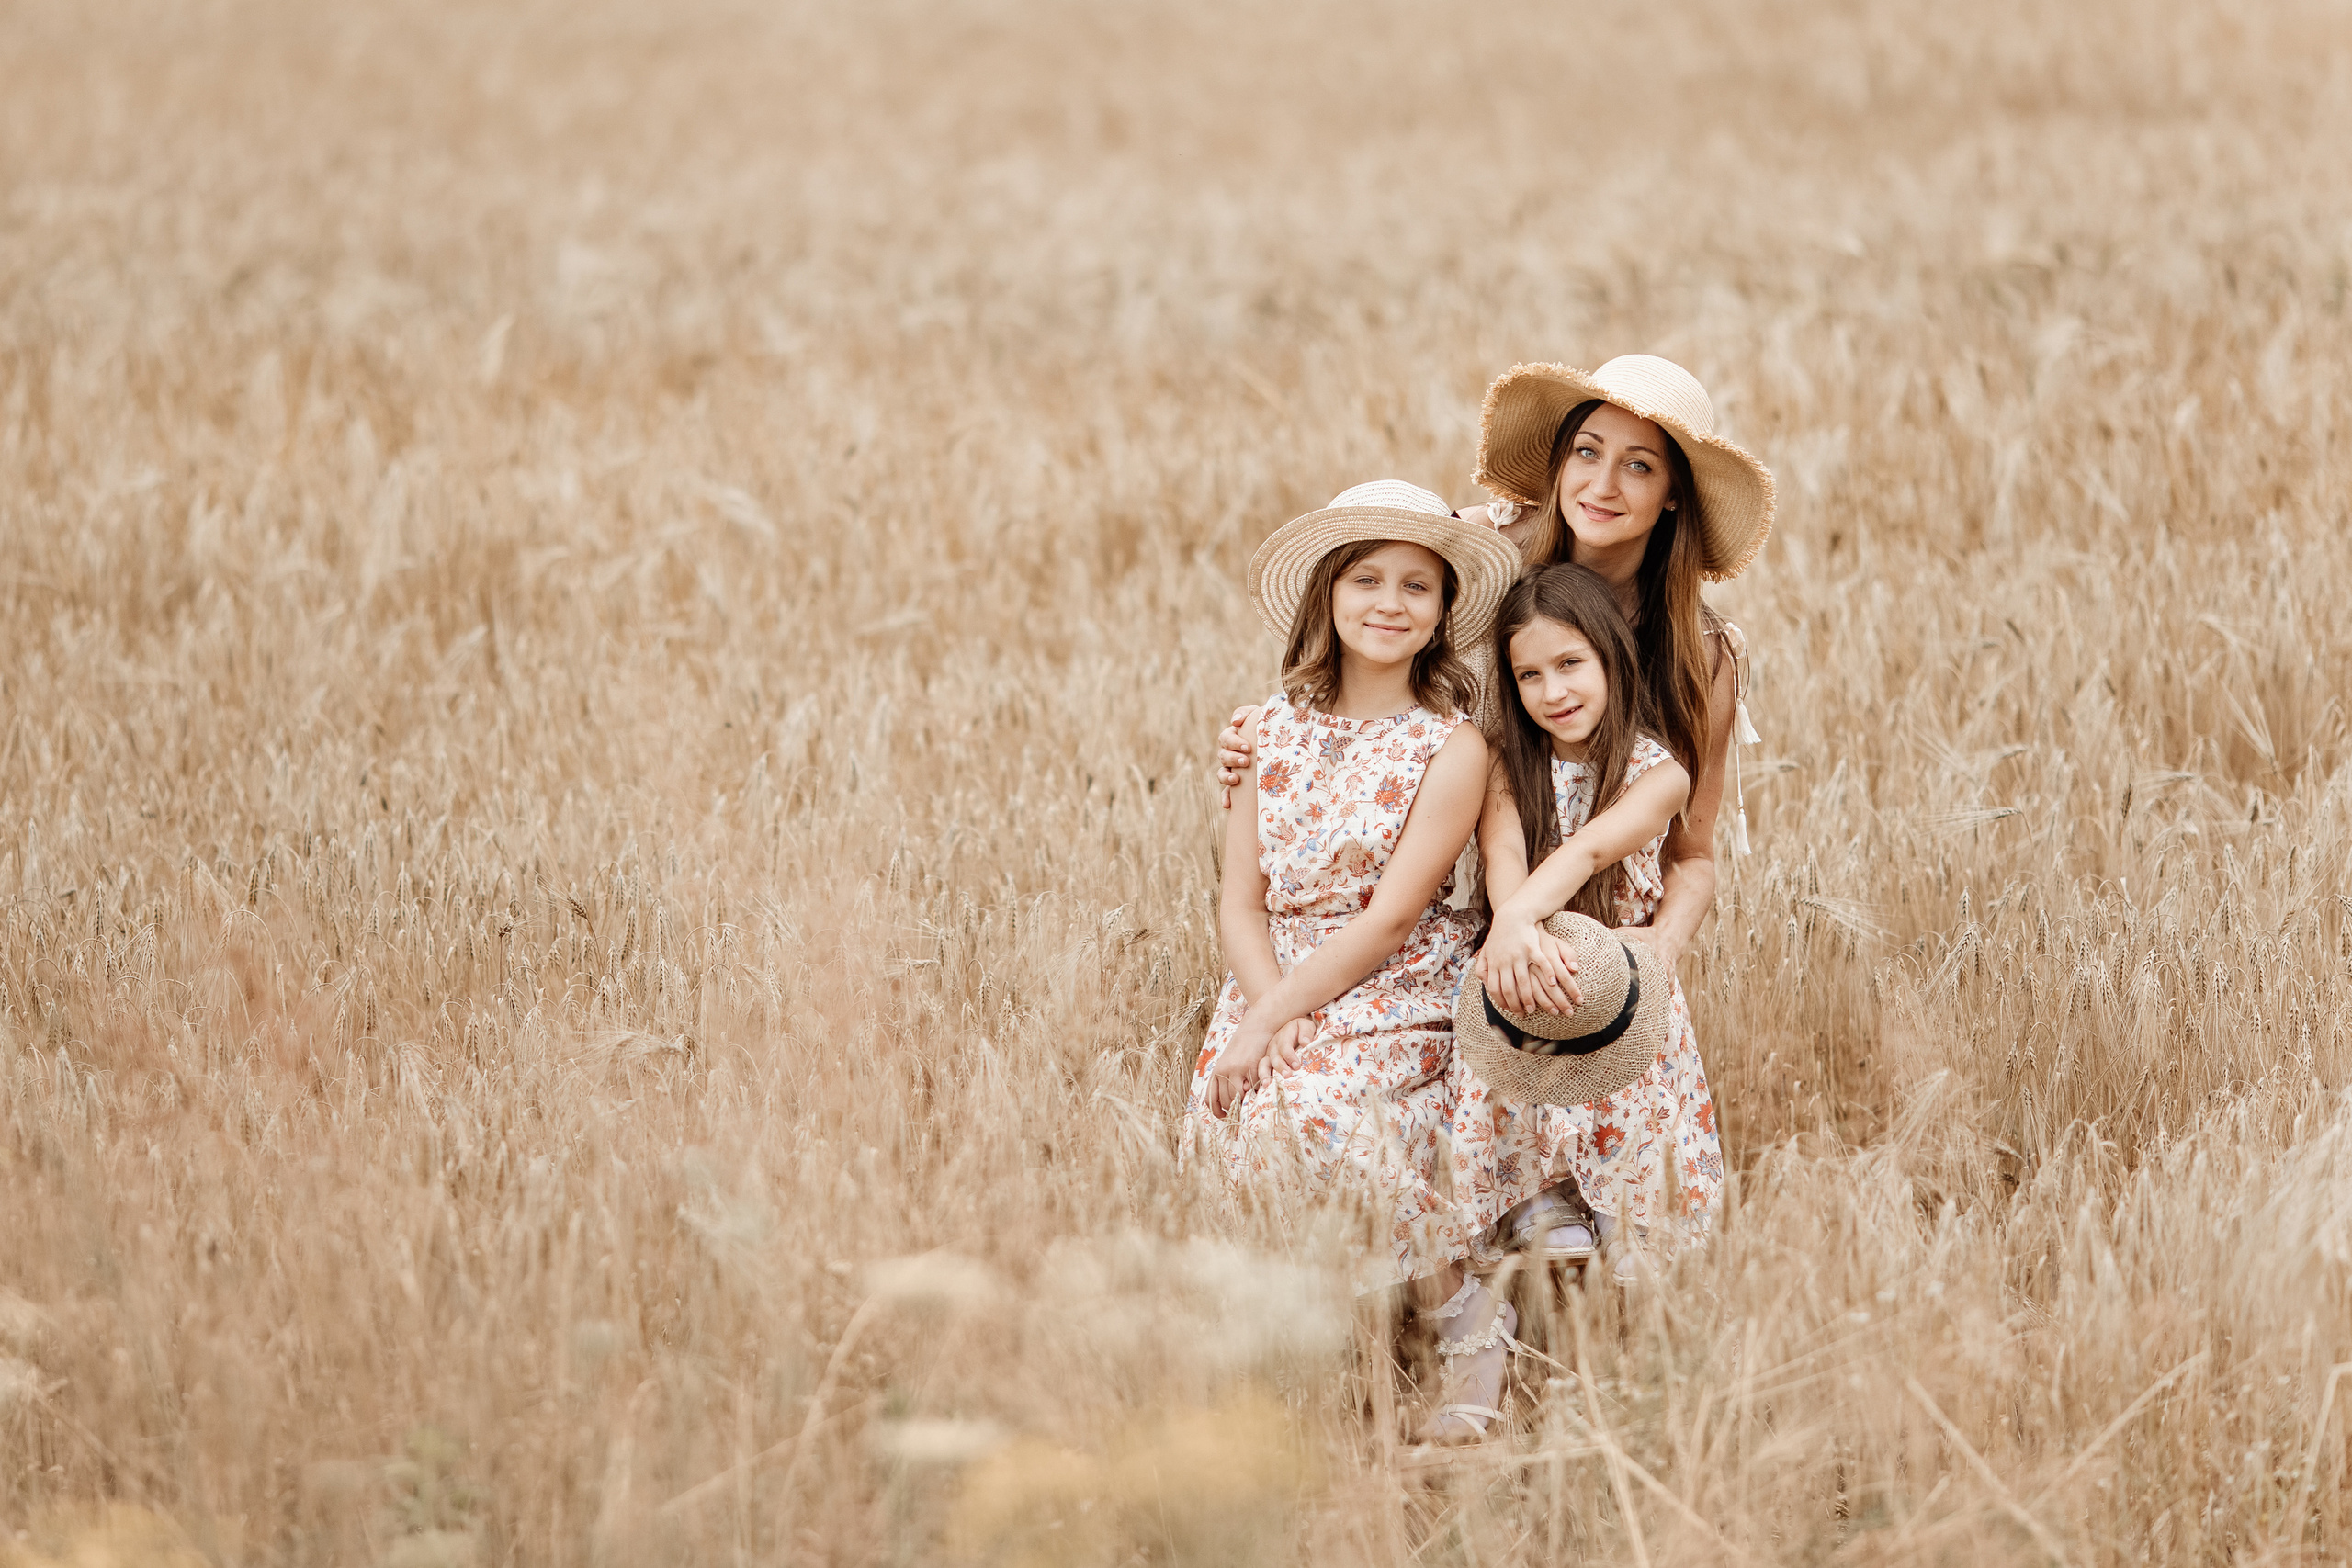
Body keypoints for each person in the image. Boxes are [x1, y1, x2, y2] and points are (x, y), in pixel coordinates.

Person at [1214, 354, 1773, 1265]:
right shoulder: (1487, 553)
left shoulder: (1698, 650)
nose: (1602, 483)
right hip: (1472, 907)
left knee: (1617, 1201)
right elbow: (1366, 608)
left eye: (1639, 464)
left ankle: (1571, 1307)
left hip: (1608, 942)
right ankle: (1465, 1284)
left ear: (1673, 493)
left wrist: (1651, 967)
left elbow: (1694, 854)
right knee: (1468, 1151)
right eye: (1586, 452)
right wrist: (1261, 733)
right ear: (1555, 461)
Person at [1179, 479, 1522, 1444]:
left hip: (1391, 986)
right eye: (1366, 578)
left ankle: (1465, 1317)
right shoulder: (1267, 730)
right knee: (1245, 1122)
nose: (1388, 602)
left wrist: (1276, 1019)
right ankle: (1300, 1352)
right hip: (1268, 983)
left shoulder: (1449, 748)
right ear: (1326, 595)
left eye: (1417, 586)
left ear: (1443, 615)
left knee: (1317, 1109)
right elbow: (1240, 899)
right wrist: (1264, 1012)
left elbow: (1390, 918)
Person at [1447, 565, 1721, 1310]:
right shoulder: (1507, 760)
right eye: (1529, 674)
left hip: (1620, 978)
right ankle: (1537, 1197)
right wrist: (1515, 936)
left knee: (1634, 1119)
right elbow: (1503, 851)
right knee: (1510, 1052)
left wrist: (1513, 920)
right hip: (1525, 968)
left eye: (1570, 664)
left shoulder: (1657, 771)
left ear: (1611, 655)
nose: (1553, 692)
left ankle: (1629, 1243)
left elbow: (1588, 851)